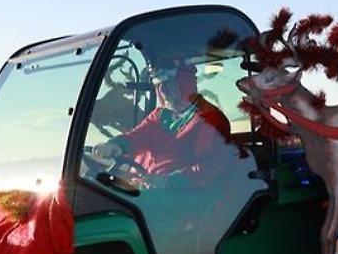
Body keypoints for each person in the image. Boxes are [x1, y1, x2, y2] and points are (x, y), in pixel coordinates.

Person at [94, 55, 237, 189]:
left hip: (182, 194)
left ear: (185, 83)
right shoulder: (160, 115)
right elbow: (138, 136)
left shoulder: (209, 119)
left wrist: (170, 181)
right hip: (145, 184)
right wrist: (116, 145)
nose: (162, 89)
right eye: (159, 84)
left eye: (169, 83)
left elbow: (210, 164)